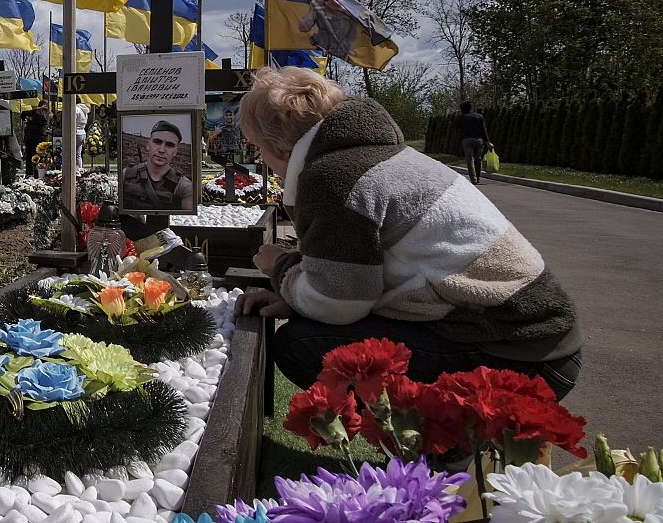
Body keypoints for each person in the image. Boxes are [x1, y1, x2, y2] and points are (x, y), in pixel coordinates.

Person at [234, 67, 581, 398]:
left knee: (301, 344)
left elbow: (338, 304)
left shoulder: (333, 178)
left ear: (278, 145)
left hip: (518, 351)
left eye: (259, 147)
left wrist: (281, 268)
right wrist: (297, 293)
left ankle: (424, 436)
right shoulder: (373, 156)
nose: (262, 158)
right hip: (536, 336)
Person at [121, 119, 194, 211]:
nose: (162, 150)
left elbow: (188, 218)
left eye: (169, 145)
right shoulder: (126, 175)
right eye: (157, 142)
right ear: (148, 145)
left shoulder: (184, 187)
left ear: (175, 152)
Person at [458, 100, 491, 185]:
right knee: (478, 158)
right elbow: (483, 130)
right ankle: (478, 177)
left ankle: (473, 179)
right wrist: (487, 142)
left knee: (470, 160)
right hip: (479, 140)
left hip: (467, 140)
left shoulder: (462, 117)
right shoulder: (479, 116)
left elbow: (456, 128)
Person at [23, 103, 51, 177]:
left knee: (30, 157)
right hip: (40, 138)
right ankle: (37, 174)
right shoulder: (48, 114)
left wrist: (27, 120)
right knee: (39, 157)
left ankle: (30, 174)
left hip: (31, 137)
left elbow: (23, 114)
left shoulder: (36, 112)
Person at [73, 100, 89, 168]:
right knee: (78, 154)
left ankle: (72, 169)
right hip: (83, 132)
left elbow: (73, 120)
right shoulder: (84, 111)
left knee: (71, 153)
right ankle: (80, 169)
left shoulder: (76, 109)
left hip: (76, 132)